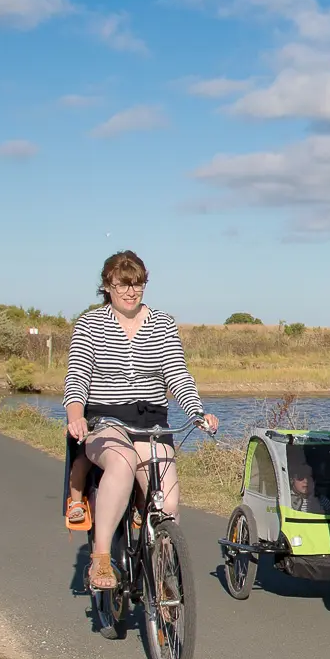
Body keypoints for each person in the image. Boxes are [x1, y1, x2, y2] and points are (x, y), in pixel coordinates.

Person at [62, 250, 219, 591]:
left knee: (169, 503)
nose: (131, 292)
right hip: (105, 418)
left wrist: (196, 412)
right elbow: (77, 378)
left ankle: (162, 581)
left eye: (138, 284)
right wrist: (76, 418)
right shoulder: (90, 324)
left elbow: (177, 374)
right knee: (122, 462)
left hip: (152, 421)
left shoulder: (162, 323)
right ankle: (101, 557)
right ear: (108, 285)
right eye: (123, 284)